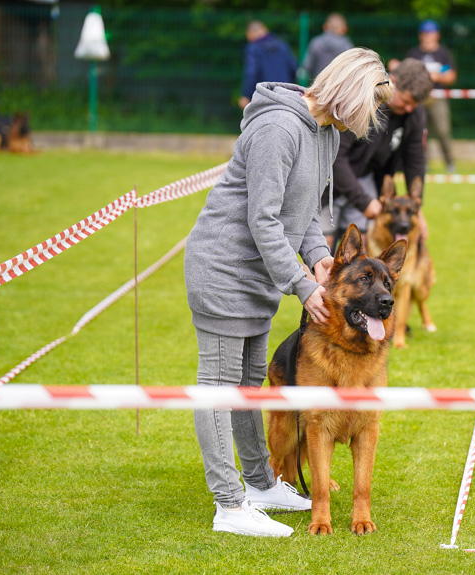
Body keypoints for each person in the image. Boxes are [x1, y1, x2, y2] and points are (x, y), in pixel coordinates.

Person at [184, 48, 394, 537]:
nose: (367, 121)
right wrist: (303, 285)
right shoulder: (278, 129)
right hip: (224, 269)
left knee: (252, 379)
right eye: (367, 107)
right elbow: (263, 217)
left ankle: (259, 483)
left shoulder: (324, 133)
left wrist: (320, 256)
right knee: (219, 385)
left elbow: (308, 214)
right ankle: (228, 504)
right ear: (347, 94)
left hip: (259, 275)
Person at [321, 58, 433, 248]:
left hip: (365, 179)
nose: (409, 109)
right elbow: (335, 158)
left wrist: (418, 211)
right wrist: (364, 202)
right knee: (324, 243)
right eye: (406, 101)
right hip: (327, 182)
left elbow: (415, 161)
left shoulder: (414, 113)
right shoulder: (362, 101)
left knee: (358, 247)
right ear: (392, 82)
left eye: (414, 104)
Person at [407, 20, 457, 173]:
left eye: (431, 33)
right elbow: (406, 74)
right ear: (420, 35)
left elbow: (451, 76)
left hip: (438, 97)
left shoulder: (443, 53)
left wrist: (435, 77)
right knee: (420, 132)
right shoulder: (414, 54)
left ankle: (450, 163)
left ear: (437, 35)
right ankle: (422, 163)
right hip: (418, 98)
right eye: (425, 33)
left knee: (443, 131)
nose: (428, 36)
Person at [239, 21, 298, 110]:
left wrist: (246, 95)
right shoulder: (282, 45)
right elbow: (294, 68)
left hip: (263, 96)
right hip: (284, 94)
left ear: (249, 34)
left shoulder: (253, 49)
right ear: (266, 30)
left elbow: (252, 73)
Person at [301, 13, 354, 81]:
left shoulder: (316, 43)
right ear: (343, 28)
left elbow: (307, 67)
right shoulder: (347, 45)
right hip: (339, 87)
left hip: (319, 85)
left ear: (325, 27)